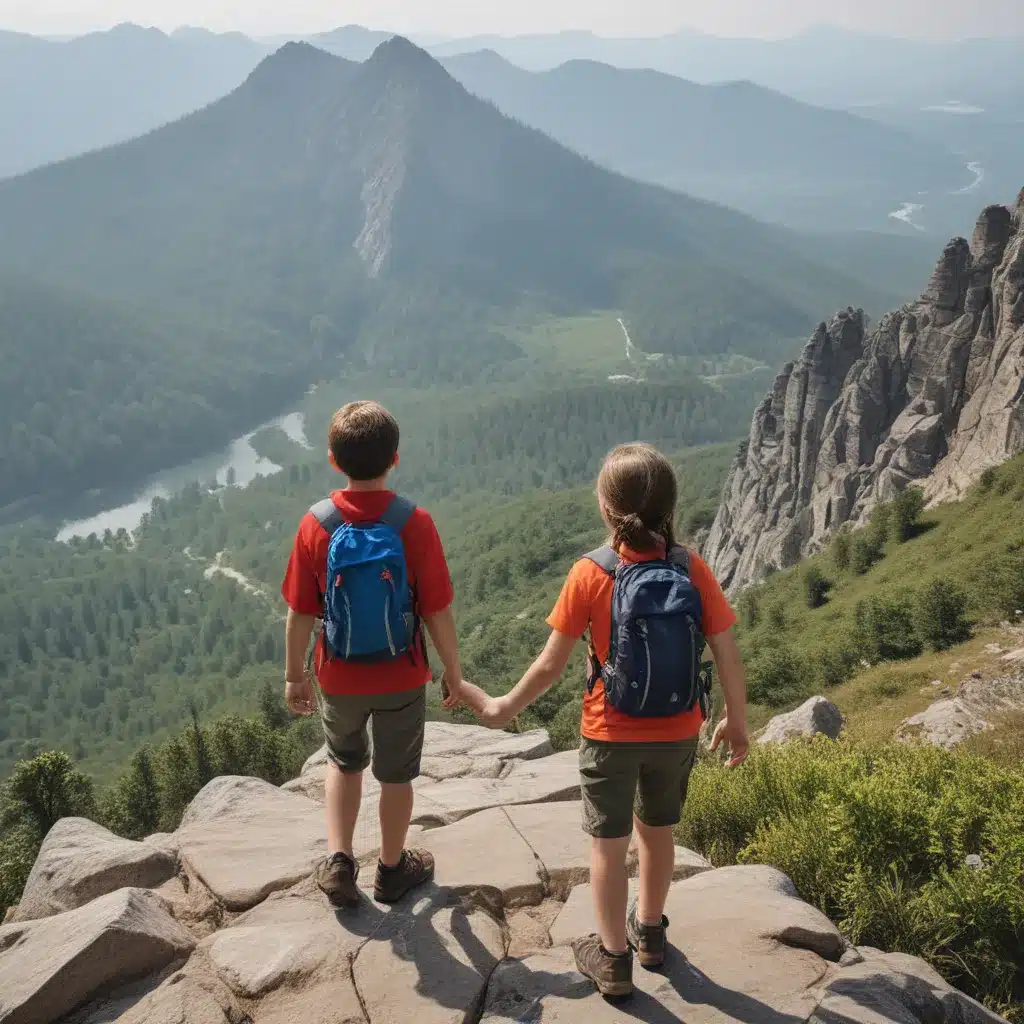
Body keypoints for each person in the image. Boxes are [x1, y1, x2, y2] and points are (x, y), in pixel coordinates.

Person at [463, 442, 749, 998]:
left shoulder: (591, 573)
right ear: (671, 504)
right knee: (659, 835)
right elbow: (727, 652)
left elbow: (550, 665)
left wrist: (502, 708)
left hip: (609, 734)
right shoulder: (692, 568)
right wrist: (737, 720)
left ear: (606, 508)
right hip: (678, 729)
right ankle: (652, 934)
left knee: (608, 847)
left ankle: (614, 960)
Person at [280, 400, 464, 908]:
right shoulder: (414, 522)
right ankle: (391, 869)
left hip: (338, 674)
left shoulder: (316, 523)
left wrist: (295, 676)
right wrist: (453, 667)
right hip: (402, 674)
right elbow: (436, 608)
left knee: (343, 763)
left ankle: (340, 862)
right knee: (397, 774)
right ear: (395, 459)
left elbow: (299, 611)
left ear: (334, 460)